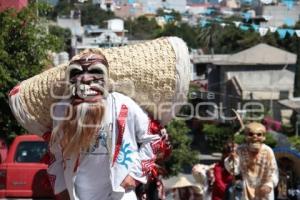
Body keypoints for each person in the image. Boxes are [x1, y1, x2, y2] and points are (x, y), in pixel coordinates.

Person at [47, 51, 171, 200]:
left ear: (106, 77)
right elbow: (56, 153)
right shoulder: (62, 110)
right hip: (77, 195)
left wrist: (134, 175)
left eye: (95, 71)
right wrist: (61, 189)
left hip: (120, 194)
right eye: (76, 73)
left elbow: (153, 138)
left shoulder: (122, 106)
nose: (85, 79)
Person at [224, 122, 279, 200]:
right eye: (251, 134)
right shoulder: (240, 150)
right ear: (246, 136)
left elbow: (273, 170)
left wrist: (269, 185)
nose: (255, 137)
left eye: (259, 134)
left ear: (264, 137)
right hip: (245, 189)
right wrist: (231, 159)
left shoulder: (268, 151)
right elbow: (234, 170)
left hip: (264, 191)